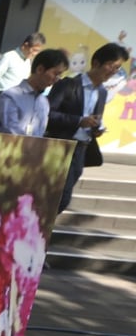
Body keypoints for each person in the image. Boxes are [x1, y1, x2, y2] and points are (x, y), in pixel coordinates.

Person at [46, 42, 130, 214]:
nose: (113, 71)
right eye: (111, 66)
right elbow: (48, 115)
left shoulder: (102, 92)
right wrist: (79, 121)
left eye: (117, 68)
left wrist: (96, 129)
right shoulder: (68, 84)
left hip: (81, 150)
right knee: (61, 198)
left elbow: (94, 120)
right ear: (96, 63)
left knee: (60, 198)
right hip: (61, 148)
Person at [0, 48, 69, 136]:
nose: (57, 79)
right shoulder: (10, 96)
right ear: (40, 69)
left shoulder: (44, 102)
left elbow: (40, 134)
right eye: (56, 74)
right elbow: (10, 131)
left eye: (60, 75)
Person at [0, 33, 46, 130]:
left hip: (20, 97)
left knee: (18, 126)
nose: (34, 54)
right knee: (5, 126)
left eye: (37, 51)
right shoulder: (9, 57)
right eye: (34, 50)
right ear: (25, 45)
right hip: (4, 96)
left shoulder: (27, 61)